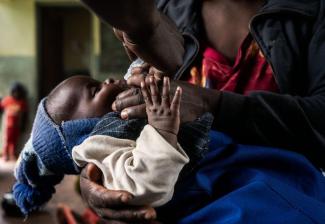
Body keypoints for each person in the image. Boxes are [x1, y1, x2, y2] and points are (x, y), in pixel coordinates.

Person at [78, 0, 325, 223]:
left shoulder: (311, 10)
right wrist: (101, 174)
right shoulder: (163, 12)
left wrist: (210, 104)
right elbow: (133, 129)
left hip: (285, 201)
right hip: (185, 206)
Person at [13, 75, 213, 215]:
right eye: (95, 89)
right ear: (81, 129)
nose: (107, 80)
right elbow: (142, 185)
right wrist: (162, 131)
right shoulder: (100, 147)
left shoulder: (122, 118)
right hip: (202, 200)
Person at [0, 82, 28, 161]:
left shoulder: (22, 103)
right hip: (7, 126)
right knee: (6, 141)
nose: (16, 94)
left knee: (14, 142)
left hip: (16, 126)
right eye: (15, 92)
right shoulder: (7, 100)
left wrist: (23, 126)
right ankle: (5, 155)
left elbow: (25, 115)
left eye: (18, 92)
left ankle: (12, 155)